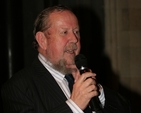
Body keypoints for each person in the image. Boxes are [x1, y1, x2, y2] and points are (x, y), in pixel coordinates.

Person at [1, 5, 131, 113]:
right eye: (64, 32)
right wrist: (74, 106)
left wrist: (98, 91)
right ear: (42, 40)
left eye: (77, 32)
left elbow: (126, 108)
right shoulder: (18, 88)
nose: (74, 39)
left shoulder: (84, 78)